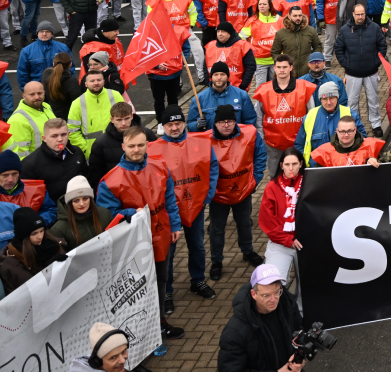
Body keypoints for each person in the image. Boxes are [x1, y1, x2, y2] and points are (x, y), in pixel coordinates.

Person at [97, 124, 186, 340]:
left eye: (140, 145)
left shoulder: (160, 167)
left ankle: (160, 321)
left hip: (161, 234)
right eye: (131, 146)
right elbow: (106, 214)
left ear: (147, 144)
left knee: (161, 280)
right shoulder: (110, 180)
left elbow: (169, 200)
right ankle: (138, 330)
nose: (136, 149)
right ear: (123, 146)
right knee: (136, 288)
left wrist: (175, 225)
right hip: (131, 244)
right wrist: (130, 212)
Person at [152, 105, 219, 308]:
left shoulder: (201, 142)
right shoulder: (153, 148)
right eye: (170, 125)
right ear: (163, 126)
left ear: (184, 123)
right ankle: (167, 291)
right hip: (168, 211)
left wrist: (207, 196)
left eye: (178, 123)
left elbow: (212, 167)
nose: (174, 128)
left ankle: (197, 280)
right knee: (168, 252)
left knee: (197, 246)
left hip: (195, 206)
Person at [217, 264, 314, 372]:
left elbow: (298, 330)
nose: (273, 299)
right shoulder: (234, 332)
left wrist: (299, 355)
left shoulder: (286, 304)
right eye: (266, 295)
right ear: (253, 294)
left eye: (277, 292)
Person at [207, 104, 265, 281]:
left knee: (244, 224)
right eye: (222, 122)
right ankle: (216, 261)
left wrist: (254, 180)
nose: (227, 125)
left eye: (230, 121)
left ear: (235, 121)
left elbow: (260, 156)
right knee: (217, 229)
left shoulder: (251, 133)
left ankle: (248, 251)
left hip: (243, 190)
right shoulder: (205, 140)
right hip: (218, 195)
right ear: (215, 124)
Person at [66, 322, 181, 372]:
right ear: (98, 361)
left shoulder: (110, 369)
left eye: (123, 351)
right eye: (113, 357)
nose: (122, 360)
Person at [252, 55, 317, 179]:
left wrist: (309, 137)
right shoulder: (264, 90)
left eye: (285, 67)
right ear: (274, 68)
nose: (282, 70)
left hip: (298, 142)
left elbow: (311, 115)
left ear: (291, 68)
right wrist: (261, 137)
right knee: (275, 177)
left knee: (300, 176)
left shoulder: (304, 88)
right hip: (273, 145)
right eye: (279, 67)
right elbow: (259, 117)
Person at [334, 3, 391, 137]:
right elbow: (338, 48)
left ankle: (376, 124)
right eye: (358, 14)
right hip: (352, 73)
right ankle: (355, 125)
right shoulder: (344, 30)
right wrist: (345, 64)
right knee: (352, 101)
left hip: (371, 72)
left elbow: (382, 46)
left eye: (362, 14)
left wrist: (376, 63)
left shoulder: (374, 28)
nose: (360, 17)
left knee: (373, 100)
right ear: (353, 14)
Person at [0, 206, 66, 294]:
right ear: (23, 236)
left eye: (42, 231)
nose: (40, 236)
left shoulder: (54, 245)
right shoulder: (10, 266)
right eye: (34, 233)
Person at [259, 149, 304, 282]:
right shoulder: (272, 187)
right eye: (287, 164)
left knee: (309, 286)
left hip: (305, 242)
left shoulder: (310, 183)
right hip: (280, 242)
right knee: (273, 282)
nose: (291, 168)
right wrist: (287, 239)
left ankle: (300, 304)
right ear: (281, 165)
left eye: (295, 164)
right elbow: (267, 221)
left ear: (301, 164)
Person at [295, 82, 365, 163]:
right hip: (318, 167)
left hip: (343, 165)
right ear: (320, 100)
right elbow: (299, 145)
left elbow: (363, 140)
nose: (328, 102)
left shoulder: (351, 114)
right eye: (324, 99)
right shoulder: (309, 117)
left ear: (337, 97)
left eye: (331, 98)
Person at [67, 69, 127, 156]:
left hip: (118, 148)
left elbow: (127, 120)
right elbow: (72, 130)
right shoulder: (77, 103)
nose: (96, 83)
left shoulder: (115, 95)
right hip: (93, 153)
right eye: (92, 81)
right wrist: (86, 149)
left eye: (99, 80)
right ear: (86, 84)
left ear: (103, 81)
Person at [188, 61, 259, 132]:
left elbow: (250, 120)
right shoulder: (198, 99)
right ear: (211, 77)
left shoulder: (242, 95)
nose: (219, 77)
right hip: (210, 141)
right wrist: (196, 125)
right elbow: (190, 124)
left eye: (222, 74)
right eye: (216, 75)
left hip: (236, 140)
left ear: (228, 76)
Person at [0, 149, 57, 223]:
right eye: (5, 175)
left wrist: (36, 223)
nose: (10, 179)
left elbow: (50, 210)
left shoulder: (37, 190)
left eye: (14, 174)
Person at [48, 175, 112, 251]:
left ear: (90, 199)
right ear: (70, 203)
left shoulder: (105, 214)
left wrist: (123, 224)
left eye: (85, 198)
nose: (81, 204)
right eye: (76, 200)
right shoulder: (59, 229)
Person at [311, 114, 388, 167]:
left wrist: (377, 161)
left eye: (349, 131)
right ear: (337, 131)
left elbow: (385, 170)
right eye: (342, 131)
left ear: (355, 130)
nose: (346, 134)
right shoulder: (324, 152)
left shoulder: (372, 146)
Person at [271, 6, 321, 78]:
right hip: (289, 74)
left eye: (300, 15)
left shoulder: (311, 31)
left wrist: (313, 62)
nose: (298, 18)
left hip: (307, 72)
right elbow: (275, 52)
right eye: (295, 16)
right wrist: (283, 65)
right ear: (289, 16)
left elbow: (318, 47)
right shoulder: (281, 33)